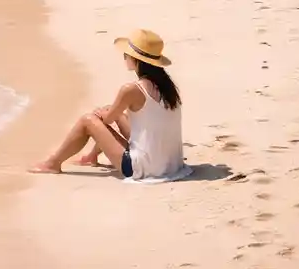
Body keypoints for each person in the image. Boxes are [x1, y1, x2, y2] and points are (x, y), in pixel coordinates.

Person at [30, 30, 190, 180]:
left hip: (143, 168)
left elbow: (106, 120)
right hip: (170, 164)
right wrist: (108, 113)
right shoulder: (167, 86)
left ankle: (53, 163)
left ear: (136, 60)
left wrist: (101, 115)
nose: (124, 58)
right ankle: (91, 157)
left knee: (88, 120)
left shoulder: (132, 89)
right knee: (112, 111)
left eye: (126, 55)